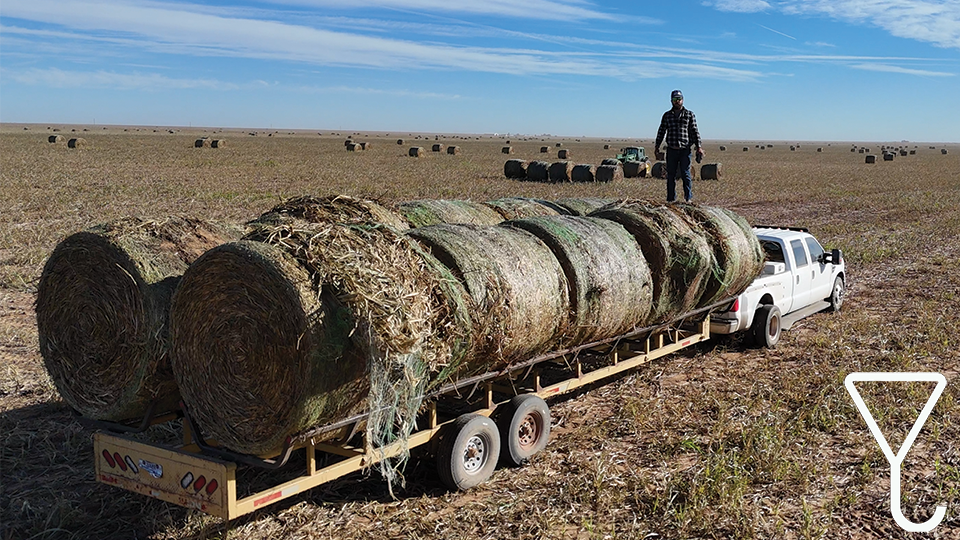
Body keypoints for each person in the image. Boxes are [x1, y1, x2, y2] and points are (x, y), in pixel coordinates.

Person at [654, 90, 704, 202]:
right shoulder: (667, 115)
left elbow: (695, 131)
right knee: (670, 175)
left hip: (685, 150)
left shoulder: (689, 114)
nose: (677, 101)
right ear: (671, 101)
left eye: (679, 99)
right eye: (675, 99)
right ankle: (671, 199)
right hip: (671, 149)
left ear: (682, 100)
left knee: (686, 174)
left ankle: (688, 198)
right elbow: (661, 131)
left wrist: (699, 147)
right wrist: (657, 146)